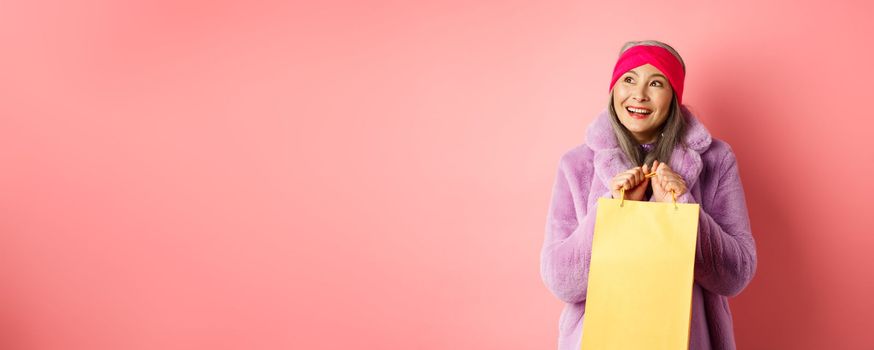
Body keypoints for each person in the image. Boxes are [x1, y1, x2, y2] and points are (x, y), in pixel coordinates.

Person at [539, 40, 757, 350]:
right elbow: (560, 279)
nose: (639, 94)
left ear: (674, 97)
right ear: (614, 88)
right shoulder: (576, 165)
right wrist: (613, 210)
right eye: (628, 79)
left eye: (656, 83)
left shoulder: (716, 160)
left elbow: (736, 275)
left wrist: (681, 204)